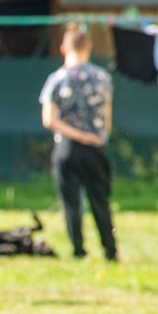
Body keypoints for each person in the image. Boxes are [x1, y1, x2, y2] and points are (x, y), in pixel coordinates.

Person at [39, 22, 118, 262]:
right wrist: (90, 137)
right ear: (89, 47)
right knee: (100, 202)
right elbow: (107, 121)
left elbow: (49, 120)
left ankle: (78, 251)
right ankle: (110, 251)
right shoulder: (102, 78)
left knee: (70, 204)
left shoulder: (57, 79)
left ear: (64, 48)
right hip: (95, 148)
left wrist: (75, 134)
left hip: (67, 149)